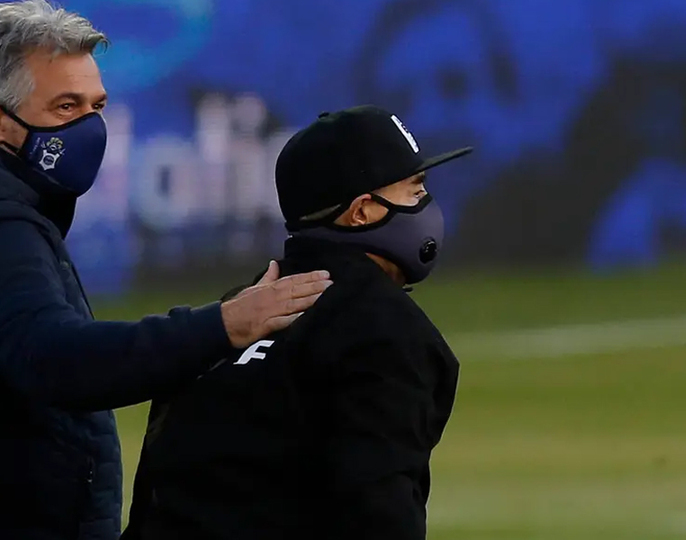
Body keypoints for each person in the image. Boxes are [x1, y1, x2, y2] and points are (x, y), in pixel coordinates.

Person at [0, 2, 331, 539]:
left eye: (97, 106)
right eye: (65, 106)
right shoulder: (7, 222)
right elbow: (52, 357)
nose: (89, 127)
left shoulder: (23, 212)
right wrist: (223, 326)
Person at [123, 105, 471, 540]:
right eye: (415, 189)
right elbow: (380, 514)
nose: (426, 203)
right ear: (363, 211)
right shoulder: (383, 329)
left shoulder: (226, 319)